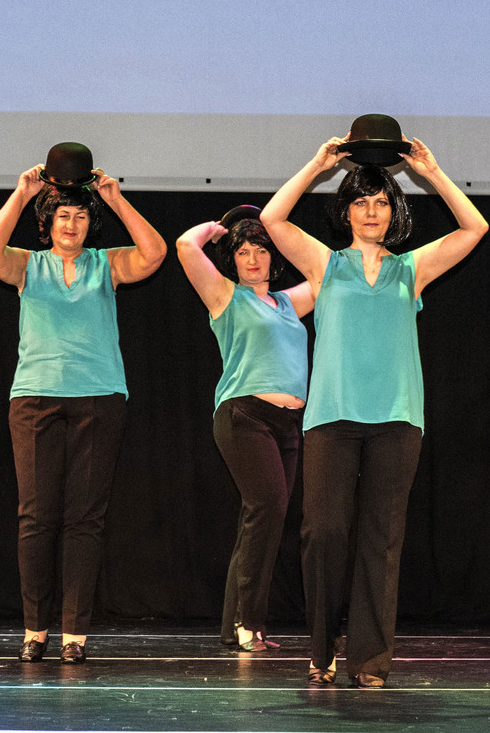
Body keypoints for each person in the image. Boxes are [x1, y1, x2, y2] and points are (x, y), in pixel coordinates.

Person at [261, 135, 487, 688]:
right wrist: (316, 164)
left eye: (381, 202)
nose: (371, 211)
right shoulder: (325, 264)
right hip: (332, 418)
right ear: (346, 211)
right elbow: (271, 219)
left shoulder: (411, 269)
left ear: (394, 211)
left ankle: (369, 659)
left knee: (381, 540)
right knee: (323, 533)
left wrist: (432, 173)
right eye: (361, 201)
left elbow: (474, 227)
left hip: (396, 418)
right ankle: (321, 650)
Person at [0, 163, 165, 663]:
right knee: (36, 517)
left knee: (85, 519)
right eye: (63, 215)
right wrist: (21, 194)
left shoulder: (106, 264)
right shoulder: (28, 265)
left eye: (81, 216)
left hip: (99, 398)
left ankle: (74, 634)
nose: (71, 224)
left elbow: (154, 254)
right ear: (48, 223)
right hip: (35, 398)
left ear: (90, 224)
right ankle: (34, 629)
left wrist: (116, 199)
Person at [177, 210, 314, 652]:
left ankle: (238, 624)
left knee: (263, 518)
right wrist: (216, 229)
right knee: (266, 509)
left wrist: (282, 232)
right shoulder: (225, 296)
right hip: (245, 416)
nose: (253, 259)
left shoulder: (290, 303)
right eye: (242, 252)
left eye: (261, 250)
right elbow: (185, 246)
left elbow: (327, 272)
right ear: (232, 259)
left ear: (274, 257)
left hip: (288, 425)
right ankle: (247, 622)